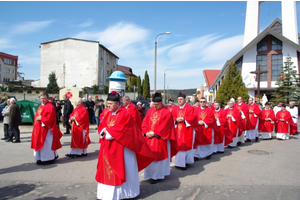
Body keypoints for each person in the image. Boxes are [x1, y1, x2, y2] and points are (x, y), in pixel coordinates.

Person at [95, 91, 154, 200]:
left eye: (111, 104)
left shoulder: (124, 113)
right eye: (108, 104)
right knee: (106, 170)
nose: (108, 106)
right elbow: (103, 125)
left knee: (123, 168)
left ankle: (125, 193)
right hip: (107, 147)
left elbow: (125, 129)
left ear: (117, 104)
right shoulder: (108, 113)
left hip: (121, 147)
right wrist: (103, 130)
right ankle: (105, 194)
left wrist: (110, 132)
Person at [142, 93, 178, 184]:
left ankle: (158, 176)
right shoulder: (150, 111)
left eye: (157, 105)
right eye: (154, 104)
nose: (155, 106)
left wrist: (155, 133)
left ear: (161, 103)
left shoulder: (166, 112)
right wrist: (146, 132)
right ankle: (150, 174)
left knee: (159, 158)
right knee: (150, 156)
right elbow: (145, 122)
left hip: (160, 139)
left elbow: (166, 126)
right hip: (149, 138)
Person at [31, 93, 63, 165]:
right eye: (41, 98)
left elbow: (50, 118)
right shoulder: (40, 106)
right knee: (39, 143)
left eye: (44, 98)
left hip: (47, 129)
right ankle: (40, 158)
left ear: (47, 99)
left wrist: (41, 118)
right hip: (39, 129)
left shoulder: (50, 107)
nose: (42, 100)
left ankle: (48, 158)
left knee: (46, 144)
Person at [172, 92, 198, 170]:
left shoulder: (190, 108)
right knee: (178, 145)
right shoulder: (175, 109)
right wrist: (175, 119)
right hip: (177, 130)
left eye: (181, 99)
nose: (179, 101)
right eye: (178, 99)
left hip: (187, 129)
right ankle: (179, 163)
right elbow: (171, 117)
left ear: (185, 100)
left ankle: (186, 162)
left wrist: (184, 119)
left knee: (186, 145)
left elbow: (193, 117)